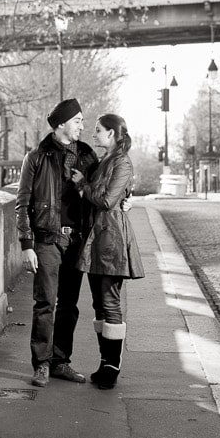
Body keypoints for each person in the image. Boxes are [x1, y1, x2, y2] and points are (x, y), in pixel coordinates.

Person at [15, 98, 99, 388]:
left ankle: (61, 361)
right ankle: (41, 364)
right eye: (77, 120)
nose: (82, 126)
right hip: (47, 239)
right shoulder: (37, 156)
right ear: (61, 123)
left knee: (69, 306)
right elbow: (22, 202)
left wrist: (124, 199)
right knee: (45, 303)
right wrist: (26, 243)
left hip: (77, 240)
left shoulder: (87, 155)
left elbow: (102, 192)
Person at [71, 113, 145, 389]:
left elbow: (106, 200)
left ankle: (112, 367)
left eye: (99, 130)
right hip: (98, 237)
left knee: (109, 301)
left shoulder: (122, 162)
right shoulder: (105, 161)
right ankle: (105, 362)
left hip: (111, 238)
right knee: (99, 303)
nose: (94, 134)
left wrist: (82, 186)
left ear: (112, 133)